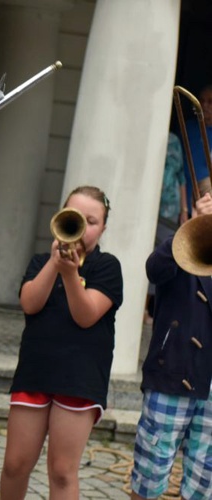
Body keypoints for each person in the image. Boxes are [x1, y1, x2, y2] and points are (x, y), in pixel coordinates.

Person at [0, 185, 123, 500]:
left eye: (91, 221)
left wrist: (70, 275)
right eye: (74, 216)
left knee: (62, 471)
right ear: (60, 216)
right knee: (14, 464)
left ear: (103, 228)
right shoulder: (42, 260)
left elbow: (86, 315)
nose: (81, 226)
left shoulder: (107, 267)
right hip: (36, 370)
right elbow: (29, 303)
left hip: (79, 378)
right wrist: (55, 265)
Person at [130, 192, 212, 500]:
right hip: (172, 375)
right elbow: (155, 270)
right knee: (149, 476)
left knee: (204, 485)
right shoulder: (183, 243)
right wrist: (192, 226)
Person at [145, 131, 186, 323]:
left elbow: (182, 178)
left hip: (171, 209)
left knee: (166, 256)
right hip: (150, 208)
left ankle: (152, 309)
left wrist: (184, 211)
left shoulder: (176, 142)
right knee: (153, 259)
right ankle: (143, 308)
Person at [182, 85, 212, 214]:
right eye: (202, 101)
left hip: (207, 204)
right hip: (184, 197)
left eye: (210, 102)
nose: (204, 105)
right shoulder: (187, 128)